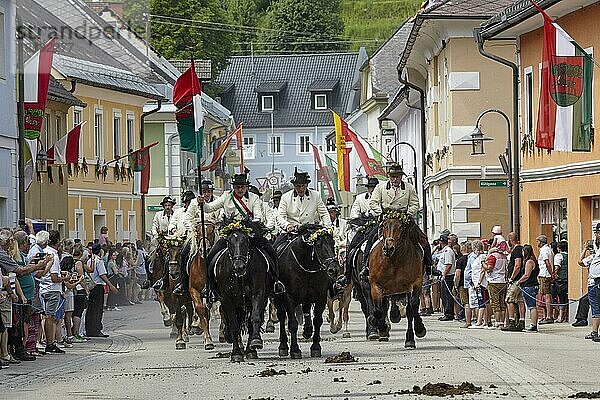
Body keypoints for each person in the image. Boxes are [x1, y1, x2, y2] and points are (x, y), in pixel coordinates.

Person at [199, 172, 283, 301]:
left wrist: (250, 223)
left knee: (270, 251)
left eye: (242, 187)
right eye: (237, 187)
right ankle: (210, 287)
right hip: (230, 234)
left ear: (247, 187)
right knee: (211, 255)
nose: (240, 189)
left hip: (249, 233)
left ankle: (276, 281)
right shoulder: (226, 196)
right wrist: (202, 203)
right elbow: (209, 208)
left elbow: (258, 216)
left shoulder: (254, 198)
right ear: (234, 187)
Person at [85, 244, 118, 338]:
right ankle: (96, 329)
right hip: (98, 286)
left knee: (91, 309)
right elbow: (102, 275)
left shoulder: (89, 261)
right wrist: (111, 285)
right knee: (97, 309)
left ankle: (90, 329)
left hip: (91, 286)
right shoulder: (99, 261)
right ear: (100, 251)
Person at [146, 196, 176, 290]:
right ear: (163, 206)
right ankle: (149, 279)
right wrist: (157, 236)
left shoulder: (176, 215)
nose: (167, 207)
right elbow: (154, 226)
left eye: (169, 205)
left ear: (172, 206)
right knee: (149, 259)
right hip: (160, 240)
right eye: (166, 205)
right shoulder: (158, 215)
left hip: (173, 240)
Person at [170, 190, 196, 295]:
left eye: (190, 202)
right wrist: (173, 230)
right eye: (186, 202)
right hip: (180, 239)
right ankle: (167, 281)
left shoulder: (198, 210)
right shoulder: (178, 212)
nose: (188, 204)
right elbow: (172, 223)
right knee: (172, 256)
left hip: (194, 239)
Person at [578, 235, 600, 342]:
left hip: (596, 283)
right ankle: (595, 331)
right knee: (595, 307)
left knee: (596, 307)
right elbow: (580, 262)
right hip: (592, 283)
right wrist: (585, 250)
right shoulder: (593, 257)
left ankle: (595, 332)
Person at [502, 232, 526, 332]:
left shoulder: (516, 250)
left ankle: (511, 321)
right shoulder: (520, 249)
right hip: (520, 280)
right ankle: (521, 321)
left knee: (509, 300)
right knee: (520, 300)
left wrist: (512, 278)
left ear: (510, 240)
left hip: (515, 280)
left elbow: (517, 265)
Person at [517, 244, 540, 332]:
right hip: (531, 285)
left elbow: (526, 275)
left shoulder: (529, 262)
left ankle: (533, 325)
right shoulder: (533, 260)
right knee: (531, 306)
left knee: (532, 306)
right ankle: (533, 324)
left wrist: (519, 281)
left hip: (529, 286)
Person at [536, 235, 555, 324]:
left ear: (541, 242)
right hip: (546, 274)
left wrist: (551, 273)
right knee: (545, 295)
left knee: (546, 296)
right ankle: (547, 315)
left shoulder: (544, 250)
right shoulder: (549, 249)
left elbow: (547, 263)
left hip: (544, 274)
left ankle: (549, 316)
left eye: (537, 241)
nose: (537, 243)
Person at [438, 235, 456, 321]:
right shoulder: (444, 251)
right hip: (444, 275)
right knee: (443, 295)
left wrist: (444, 275)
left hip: (448, 276)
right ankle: (446, 312)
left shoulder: (448, 251)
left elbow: (448, 264)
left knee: (447, 295)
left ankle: (449, 313)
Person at [554, 240, 569, 323]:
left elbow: (557, 267)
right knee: (564, 298)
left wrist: (554, 274)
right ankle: (564, 315)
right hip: (567, 279)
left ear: (559, 248)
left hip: (560, 280)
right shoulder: (569, 255)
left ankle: (560, 315)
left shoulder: (558, 256)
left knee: (555, 296)